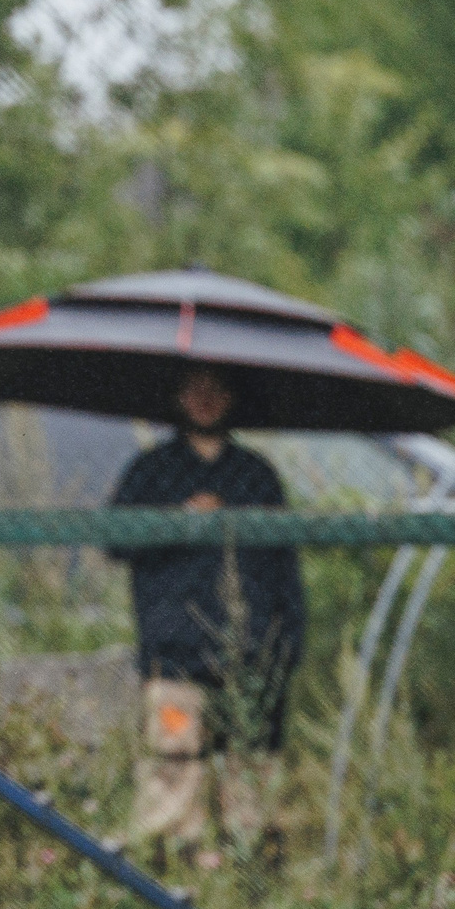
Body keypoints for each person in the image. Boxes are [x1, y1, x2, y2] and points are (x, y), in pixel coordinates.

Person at [108, 367, 305, 860]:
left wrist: (289, 642)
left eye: (217, 388)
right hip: (175, 654)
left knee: (253, 765)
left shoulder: (256, 475)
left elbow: (286, 567)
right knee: (173, 761)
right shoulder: (151, 472)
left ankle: (254, 866)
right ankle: (173, 868)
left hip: (252, 652)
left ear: (233, 397)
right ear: (177, 395)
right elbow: (115, 540)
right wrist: (179, 521)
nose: (206, 399)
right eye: (194, 387)